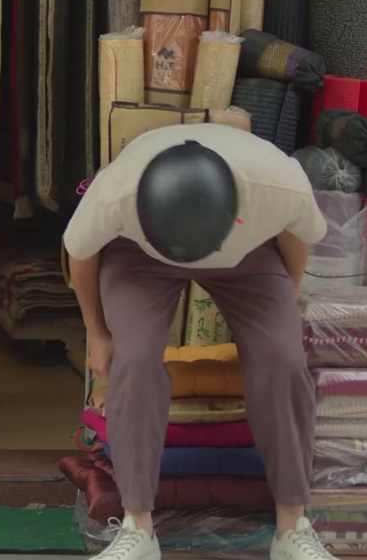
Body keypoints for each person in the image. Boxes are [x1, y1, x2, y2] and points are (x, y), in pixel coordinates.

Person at [62, 123, 338, 560]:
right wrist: (97, 333)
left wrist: (279, 313)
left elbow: (297, 238)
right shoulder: (117, 193)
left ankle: (292, 528)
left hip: (246, 252)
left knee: (283, 357)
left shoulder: (278, 184)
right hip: (140, 253)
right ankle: (138, 528)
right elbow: (80, 252)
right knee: (133, 360)